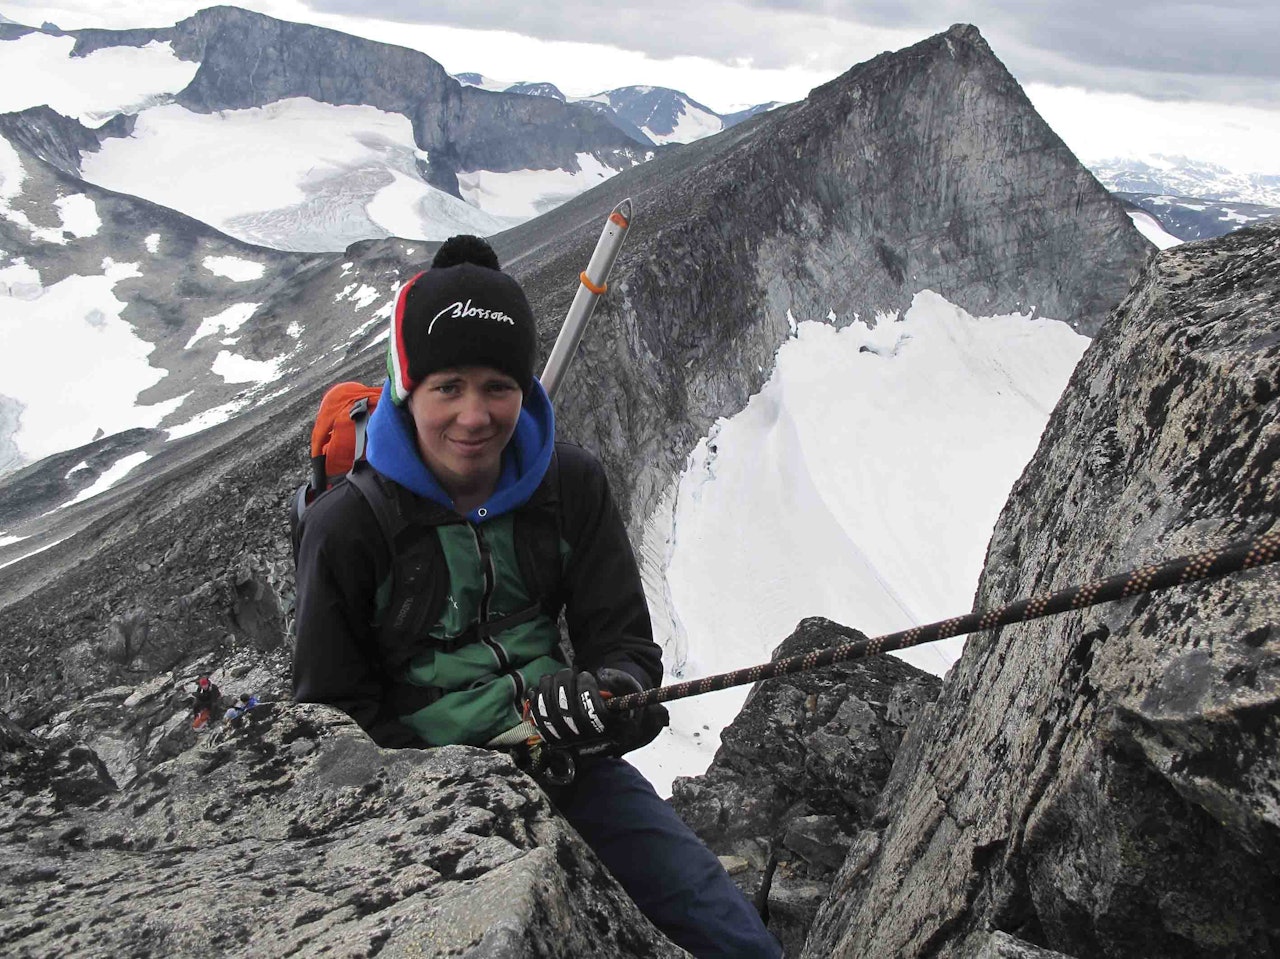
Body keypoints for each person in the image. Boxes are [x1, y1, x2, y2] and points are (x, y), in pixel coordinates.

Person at [293, 235, 781, 959]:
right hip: (427, 807)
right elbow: (331, 720)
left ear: (525, 388)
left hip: (567, 765)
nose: (474, 415)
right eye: (447, 387)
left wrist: (604, 700)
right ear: (408, 390)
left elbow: (626, 649)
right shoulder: (351, 528)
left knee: (737, 942)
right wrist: (443, 789)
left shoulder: (569, 486)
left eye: (497, 385)